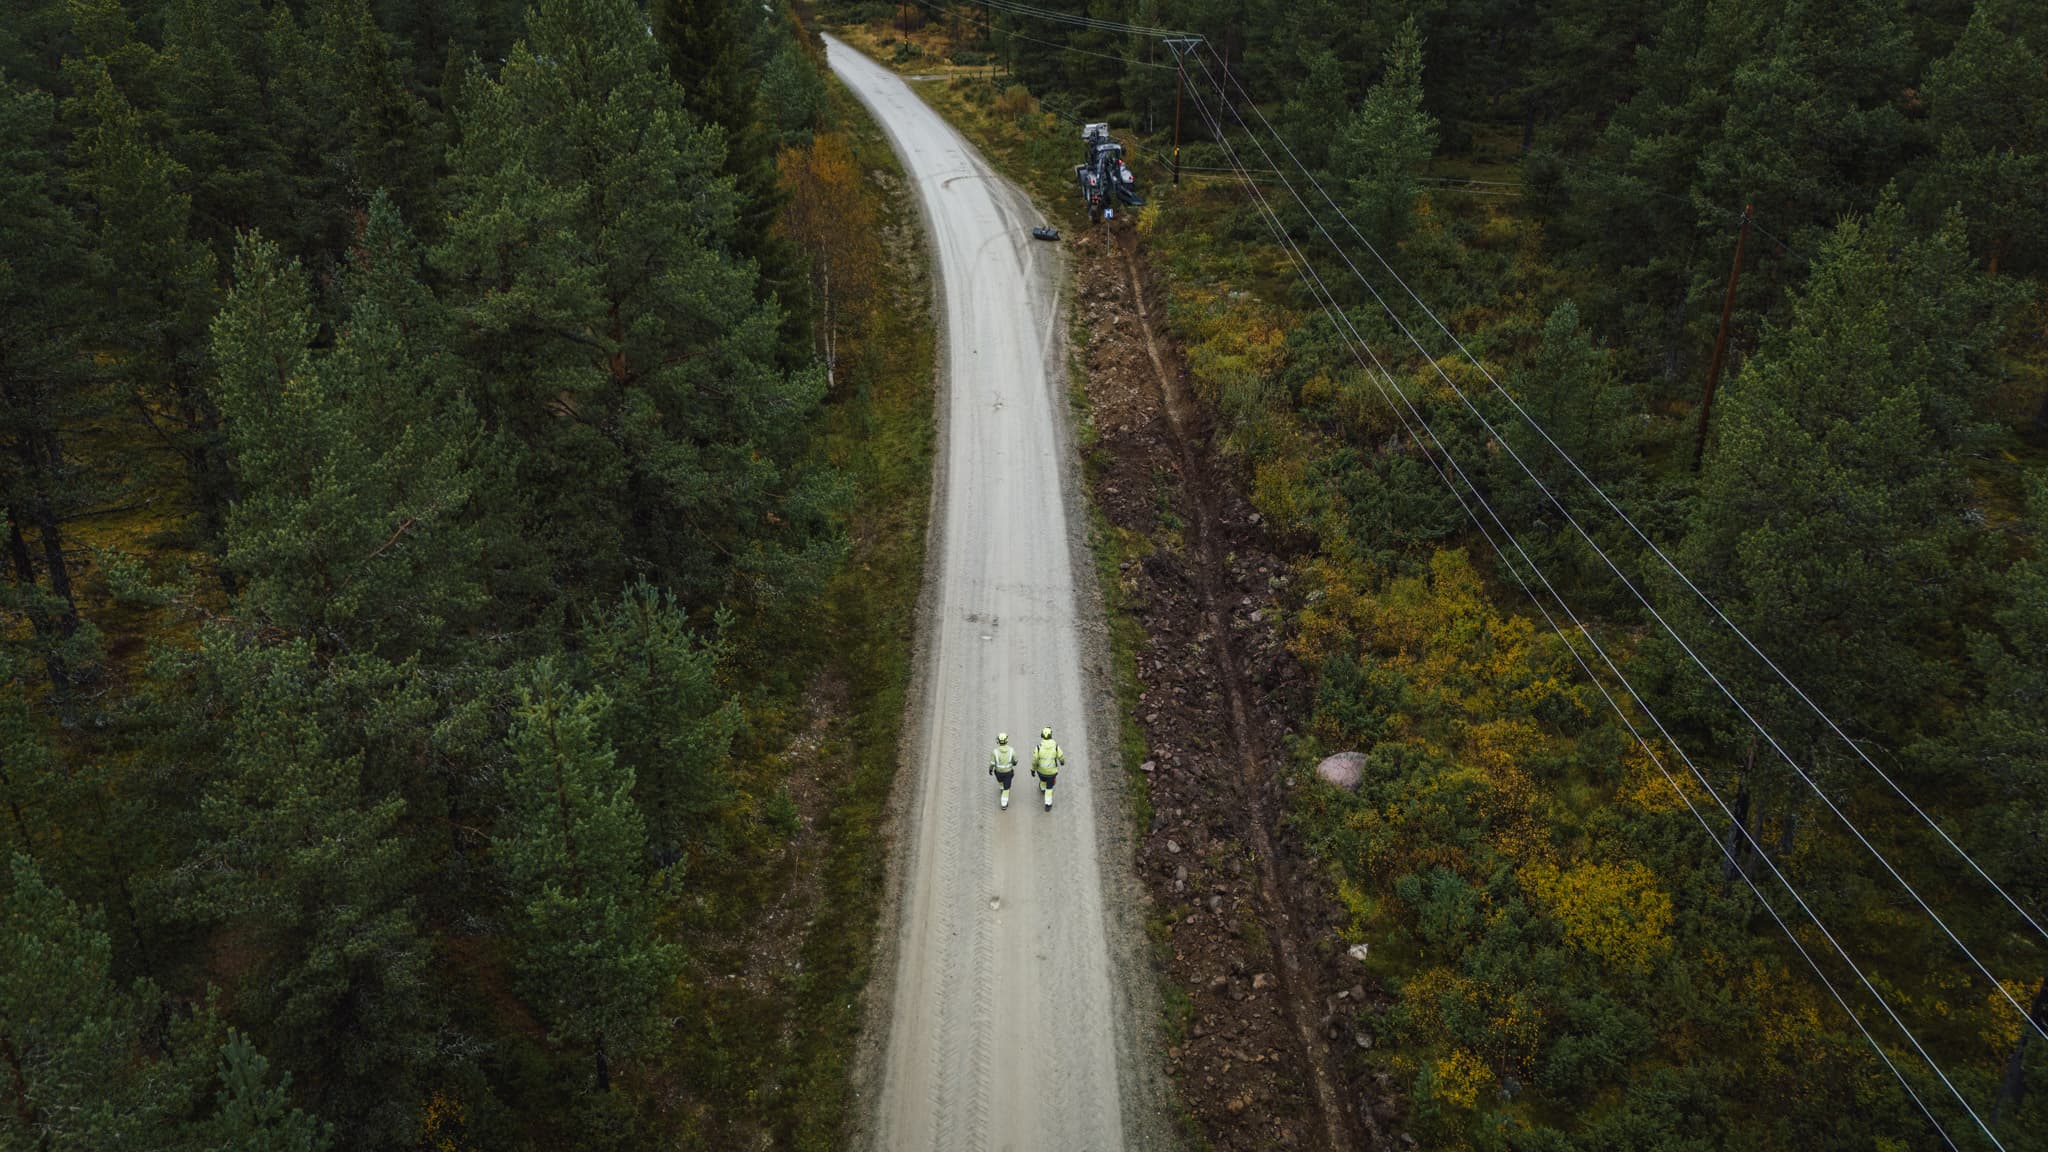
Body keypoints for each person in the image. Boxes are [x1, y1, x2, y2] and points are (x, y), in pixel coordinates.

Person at [1031, 726, 1065, 810]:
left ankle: (1042, 788)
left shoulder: (1038, 748)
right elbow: (1061, 756)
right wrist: (1062, 762)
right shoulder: (1056, 746)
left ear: (1042, 736)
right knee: (1049, 788)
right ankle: (1048, 804)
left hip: (1041, 771)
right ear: (1051, 735)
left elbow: (1035, 760)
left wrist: (1033, 769)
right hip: (1052, 772)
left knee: (1042, 780)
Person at [988, 732, 1018, 810]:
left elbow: (992, 763)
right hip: (1008, 772)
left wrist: (990, 769)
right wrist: (1014, 763)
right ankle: (1004, 803)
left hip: (998, 772)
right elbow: (1015, 760)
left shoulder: (994, 752)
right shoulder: (1011, 750)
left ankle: (1001, 787)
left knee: (1000, 781)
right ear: (1007, 740)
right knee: (1006, 788)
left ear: (998, 741)